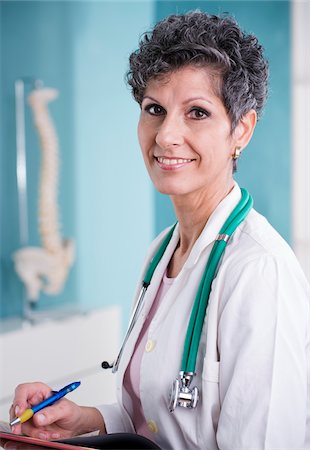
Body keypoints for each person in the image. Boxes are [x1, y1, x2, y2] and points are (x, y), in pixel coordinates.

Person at [8, 11, 310, 450]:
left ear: (241, 130)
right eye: (155, 109)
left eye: (197, 113)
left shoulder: (259, 271)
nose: (166, 135)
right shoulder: (162, 252)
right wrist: (84, 420)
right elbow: (158, 421)